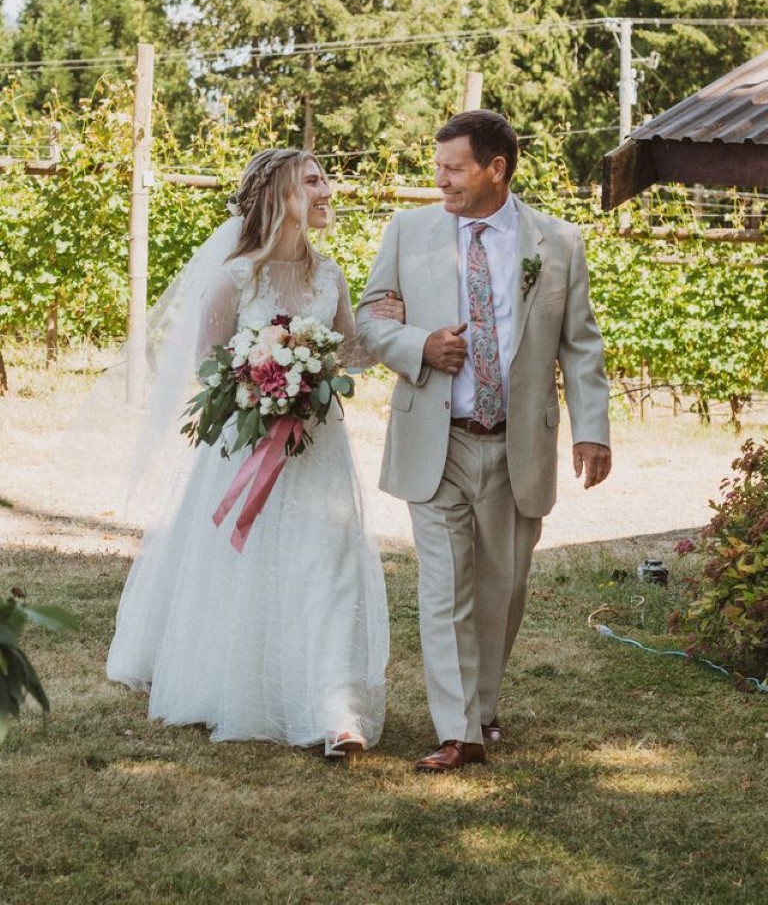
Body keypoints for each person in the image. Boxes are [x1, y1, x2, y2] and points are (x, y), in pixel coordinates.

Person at [107, 148, 393, 758]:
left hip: (318, 448)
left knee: (330, 566)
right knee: (247, 568)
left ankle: (335, 711)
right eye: (312, 181)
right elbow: (208, 369)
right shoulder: (233, 279)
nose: (326, 189)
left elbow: (351, 353)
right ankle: (239, 680)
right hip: (246, 450)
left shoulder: (330, 275)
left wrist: (376, 329)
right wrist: (261, 380)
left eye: (324, 178)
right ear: (279, 197)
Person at [356, 109, 611, 773]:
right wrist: (418, 345)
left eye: (452, 168)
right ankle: (457, 731)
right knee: (444, 591)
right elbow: (370, 316)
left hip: (516, 442)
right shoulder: (408, 232)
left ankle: (484, 710)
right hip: (435, 442)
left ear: (495, 169)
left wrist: (593, 432)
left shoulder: (557, 242)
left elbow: (579, 346)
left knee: (503, 587)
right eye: (436, 166)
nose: (438, 179)